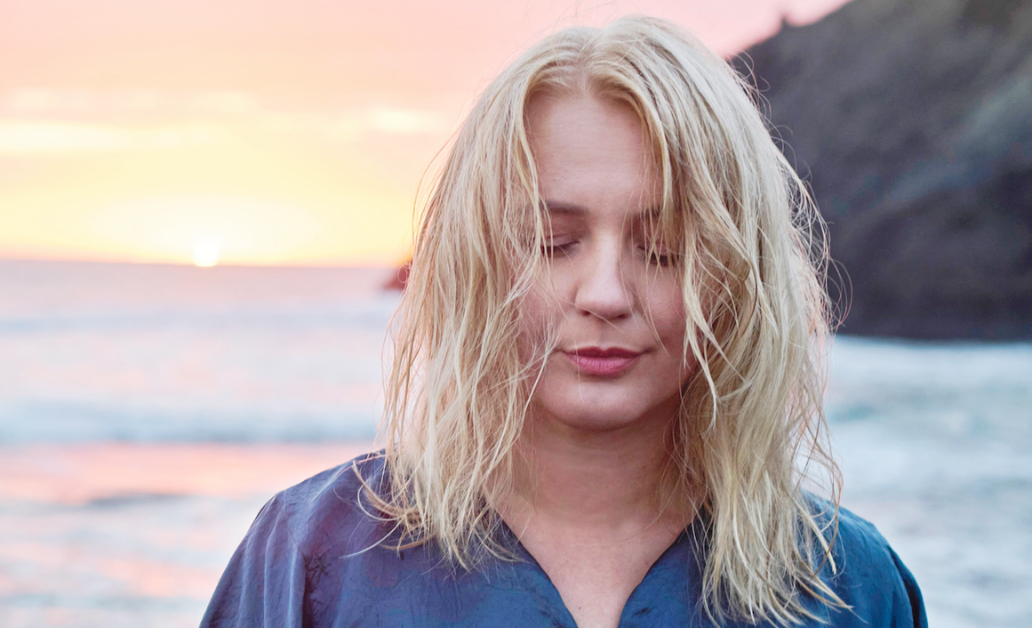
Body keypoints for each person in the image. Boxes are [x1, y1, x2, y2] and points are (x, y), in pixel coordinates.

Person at [202, 15, 926, 628]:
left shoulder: (847, 589)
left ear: (738, 273)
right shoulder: (316, 559)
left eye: (664, 248)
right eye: (552, 242)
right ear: (477, 257)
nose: (606, 293)